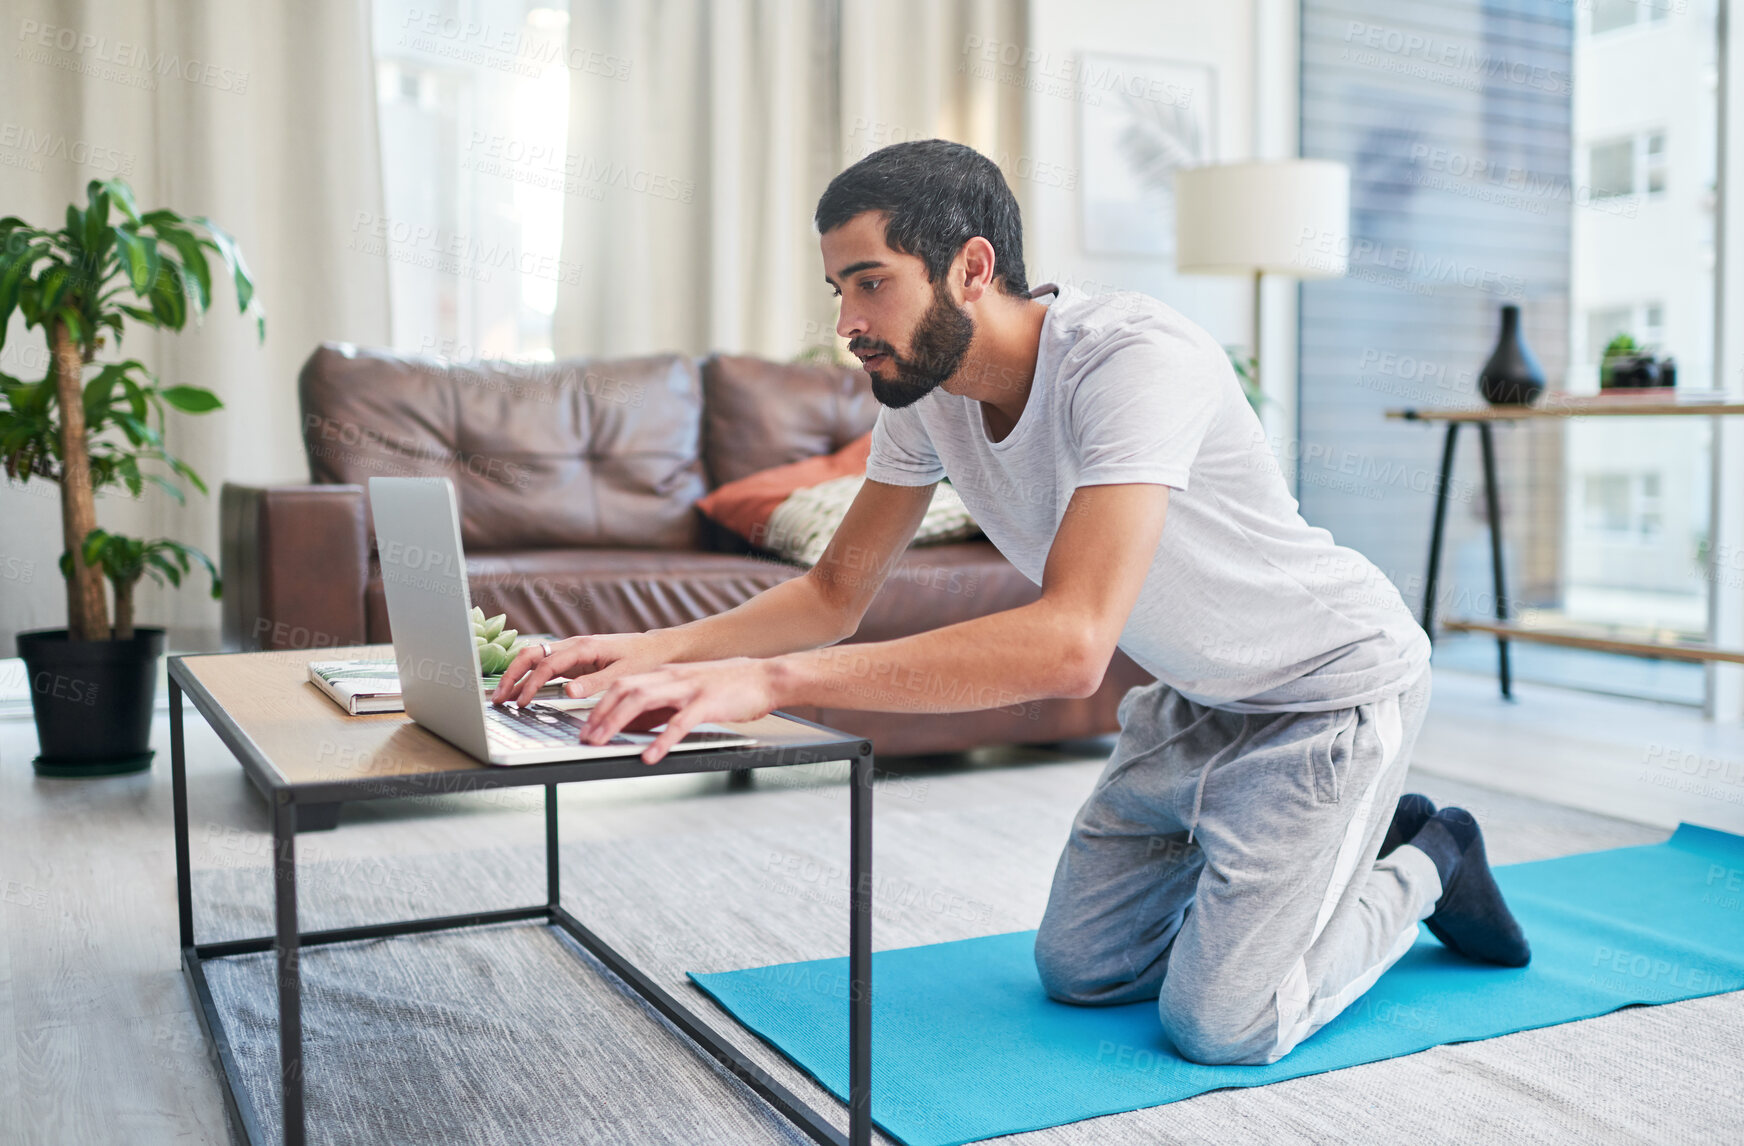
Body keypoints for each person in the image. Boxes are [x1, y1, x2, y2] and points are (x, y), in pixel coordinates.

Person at [490, 139, 1530, 1066]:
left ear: (971, 266)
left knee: (1224, 1026)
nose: (846, 325)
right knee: (1081, 972)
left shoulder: (1133, 360)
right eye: (836, 290)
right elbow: (832, 593)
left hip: (1327, 693)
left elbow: (1072, 644)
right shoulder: (924, 397)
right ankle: (1304, 859)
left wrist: (767, 683)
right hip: (1194, 702)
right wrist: (639, 651)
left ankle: (1427, 859)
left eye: (869, 283)